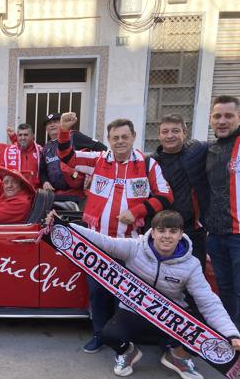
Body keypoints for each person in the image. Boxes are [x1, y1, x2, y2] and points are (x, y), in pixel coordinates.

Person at [45, 210, 240, 378]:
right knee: (109, 334)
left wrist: (231, 335)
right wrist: (62, 226)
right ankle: (128, 352)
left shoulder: (191, 264)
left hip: (170, 316)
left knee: (205, 330)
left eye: (173, 231)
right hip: (134, 311)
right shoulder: (135, 247)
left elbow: (209, 302)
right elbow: (102, 241)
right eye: (161, 230)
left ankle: (176, 356)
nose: (166, 236)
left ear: (180, 235)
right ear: (152, 232)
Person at [58, 113, 173, 353]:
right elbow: (68, 157)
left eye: (124, 137)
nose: (120, 141)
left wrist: (138, 210)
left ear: (133, 137)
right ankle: (100, 334)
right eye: (115, 137)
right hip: (97, 241)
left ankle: (122, 338)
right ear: (108, 140)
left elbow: (165, 196)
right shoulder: (98, 160)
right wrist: (64, 131)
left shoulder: (148, 164)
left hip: (130, 243)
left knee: (125, 294)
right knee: (98, 292)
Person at [205, 95, 240, 375]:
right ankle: (230, 339)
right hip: (217, 234)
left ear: (239, 116)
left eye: (228, 116)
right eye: (217, 116)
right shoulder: (212, 149)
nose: (222, 121)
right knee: (225, 291)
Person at [150, 114, 209, 271]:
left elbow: (231, 140)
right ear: (159, 134)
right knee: (163, 283)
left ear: (185, 132)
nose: (170, 135)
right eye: (165, 131)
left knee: (195, 281)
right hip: (163, 233)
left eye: (175, 130)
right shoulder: (150, 163)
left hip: (193, 231)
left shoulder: (198, 150)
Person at [40, 112, 107, 204]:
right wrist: (45, 182)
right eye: (48, 123)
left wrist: (92, 174)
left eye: (55, 121)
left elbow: (102, 148)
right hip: (56, 195)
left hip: (76, 195)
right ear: (46, 128)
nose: (52, 125)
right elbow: (42, 170)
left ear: (62, 123)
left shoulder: (74, 136)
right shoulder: (46, 148)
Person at [2, 124, 42, 189]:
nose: (23, 137)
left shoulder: (40, 151)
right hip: (16, 192)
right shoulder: (9, 151)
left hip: (35, 191)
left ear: (32, 136)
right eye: (20, 135)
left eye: (26, 135)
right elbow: (3, 170)